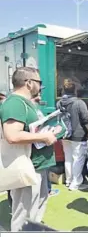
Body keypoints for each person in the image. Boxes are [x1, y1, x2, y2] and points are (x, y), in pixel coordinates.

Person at [1, 67, 58, 231]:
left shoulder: (23, 103)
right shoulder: (15, 103)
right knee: (24, 218)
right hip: (28, 168)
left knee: (34, 216)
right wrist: (44, 137)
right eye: (39, 83)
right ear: (29, 83)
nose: (41, 87)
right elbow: (12, 135)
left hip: (37, 166)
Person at [58, 79, 88, 191]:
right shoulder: (79, 103)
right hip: (78, 134)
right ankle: (76, 183)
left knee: (68, 158)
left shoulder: (59, 103)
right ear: (75, 90)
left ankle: (68, 180)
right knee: (78, 159)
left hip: (64, 134)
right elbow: (85, 119)